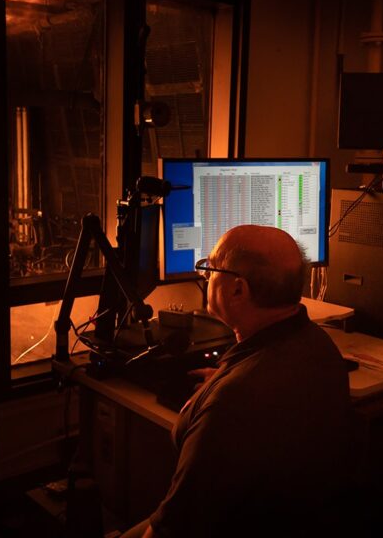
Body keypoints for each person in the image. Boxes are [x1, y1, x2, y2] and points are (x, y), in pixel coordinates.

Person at [122, 224, 355, 538]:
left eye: (211, 267)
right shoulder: (318, 345)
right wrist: (228, 377)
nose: (206, 275)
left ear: (238, 290)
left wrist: (225, 391)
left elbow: (172, 529)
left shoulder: (231, 406)